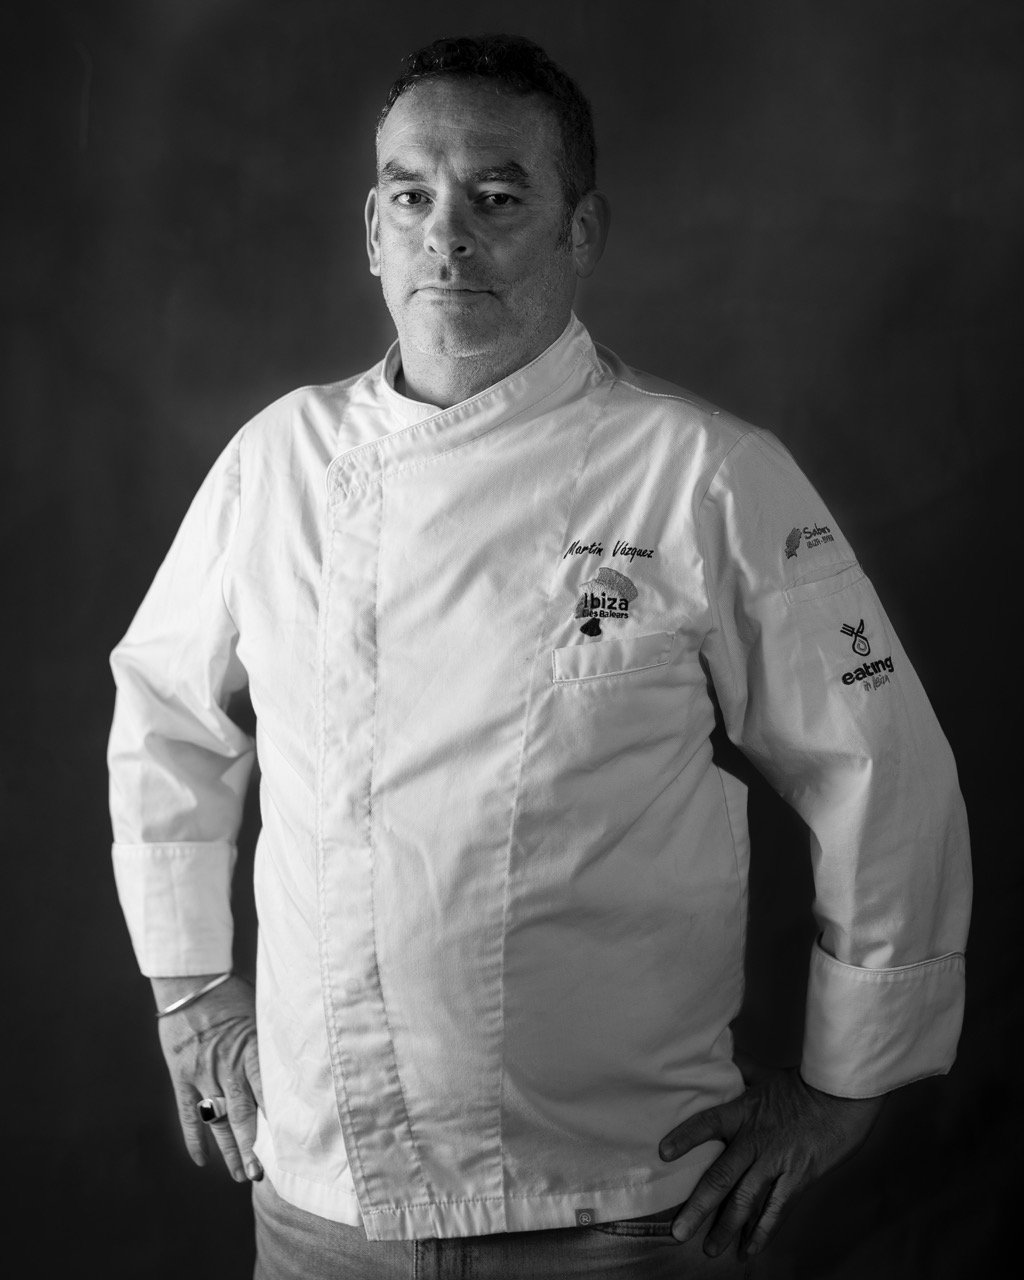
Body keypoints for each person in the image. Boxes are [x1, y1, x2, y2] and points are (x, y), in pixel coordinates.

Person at [108, 33, 971, 1280]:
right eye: (412, 196)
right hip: (320, 1199)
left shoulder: (702, 472)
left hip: (615, 1205)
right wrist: (190, 988)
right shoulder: (277, 463)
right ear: (370, 229)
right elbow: (165, 720)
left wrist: (853, 1075)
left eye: (498, 198)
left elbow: (881, 766)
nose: (446, 237)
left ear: (581, 230)